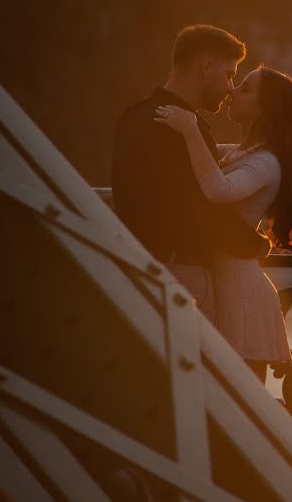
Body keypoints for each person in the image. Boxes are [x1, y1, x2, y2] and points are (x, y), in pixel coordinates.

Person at [154, 66, 292, 382]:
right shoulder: (239, 153)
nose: (231, 92)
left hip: (241, 296)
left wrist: (190, 129)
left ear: (264, 108)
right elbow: (200, 165)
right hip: (218, 285)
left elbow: (218, 190)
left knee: (244, 407)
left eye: (244, 89)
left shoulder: (266, 162)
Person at [112, 25, 269, 329]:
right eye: (229, 74)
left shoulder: (132, 117)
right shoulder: (187, 132)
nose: (230, 88)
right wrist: (255, 243)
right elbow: (201, 210)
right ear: (205, 67)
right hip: (182, 277)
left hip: (132, 271)